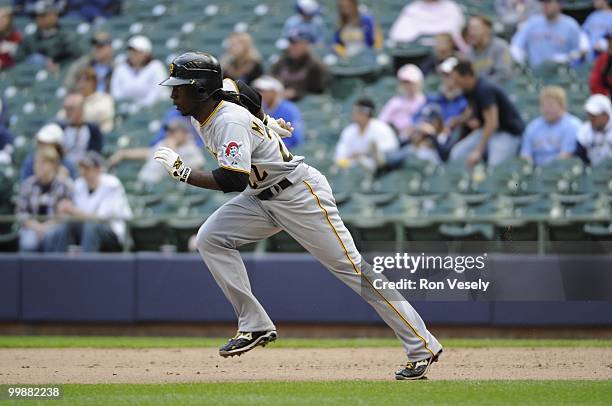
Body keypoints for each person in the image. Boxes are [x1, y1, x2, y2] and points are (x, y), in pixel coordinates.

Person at [153, 52, 443, 379]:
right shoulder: (216, 98)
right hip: (260, 197)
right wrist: (264, 121)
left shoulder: (227, 120)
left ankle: (422, 344)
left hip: (298, 194)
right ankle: (255, 324)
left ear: (202, 89)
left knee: (353, 270)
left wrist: (184, 173)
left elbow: (232, 179)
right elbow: (247, 91)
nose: (173, 94)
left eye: (180, 88)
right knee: (210, 239)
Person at [50, 151, 132, 252]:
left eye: (87, 168)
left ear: (98, 169)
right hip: (86, 229)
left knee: (92, 226)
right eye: (82, 167)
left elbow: (100, 218)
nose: (83, 171)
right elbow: (76, 215)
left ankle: (87, 266)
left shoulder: (112, 184)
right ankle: (57, 263)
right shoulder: (79, 184)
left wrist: (72, 210)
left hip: (114, 234)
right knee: (65, 225)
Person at [449, 60, 525, 167]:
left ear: (467, 76)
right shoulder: (470, 90)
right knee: (457, 154)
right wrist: (461, 120)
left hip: (507, 133)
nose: (454, 83)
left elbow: (492, 123)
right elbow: (472, 109)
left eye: (457, 79)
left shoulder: (484, 89)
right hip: (489, 131)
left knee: (494, 165)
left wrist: (478, 151)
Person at [109, 118, 205, 185]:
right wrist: (123, 154)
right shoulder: (165, 143)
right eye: (168, 131)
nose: (169, 134)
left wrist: (172, 150)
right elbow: (148, 152)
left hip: (163, 189)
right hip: (144, 182)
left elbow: (191, 171)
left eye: (173, 131)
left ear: (184, 133)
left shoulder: (191, 149)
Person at [17, 146, 73, 252]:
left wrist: (45, 228)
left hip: (54, 227)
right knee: (29, 242)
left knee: (53, 235)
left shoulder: (64, 186)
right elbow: (21, 213)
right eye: (36, 162)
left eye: (42, 163)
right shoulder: (27, 184)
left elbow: (65, 215)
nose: (37, 166)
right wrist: (37, 227)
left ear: (53, 165)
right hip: (31, 227)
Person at [510, 0, 586, 68]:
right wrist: (521, 62)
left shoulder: (570, 25)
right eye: (543, 2)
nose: (545, 5)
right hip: (536, 75)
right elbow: (516, 46)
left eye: (548, 2)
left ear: (559, 4)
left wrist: (567, 58)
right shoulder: (532, 23)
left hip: (562, 76)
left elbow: (581, 51)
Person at [520, 86, 581, 166]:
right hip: (536, 172)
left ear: (562, 106)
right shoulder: (533, 127)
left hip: (562, 172)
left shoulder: (573, 125)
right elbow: (525, 155)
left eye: (550, 105)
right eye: (543, 105)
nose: (546, 109)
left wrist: (546, 171)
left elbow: (566, 155)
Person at [335, 98, 399, 171]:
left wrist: (364, 153)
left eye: (357, 112)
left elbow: (391, 148)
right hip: (353, 166)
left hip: (378, 164)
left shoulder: (381, 128)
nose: (353, 114)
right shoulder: (349, 131)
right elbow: (340, 155)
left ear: (366, 113)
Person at [13, 0, 80, 70]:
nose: (38, 19)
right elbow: (19, 59)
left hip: (60, 73)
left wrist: (60, 65)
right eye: (36, 16)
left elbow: (75, 58)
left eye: (43, 15)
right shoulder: (29, 38)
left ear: (55, 16)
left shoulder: (67, 36)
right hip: (33, 74)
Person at [110, 35, 169, 108]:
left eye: (137, 51)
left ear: (146, 53)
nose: (133, 54)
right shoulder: (121, 68)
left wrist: (140, 107)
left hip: (155, 109)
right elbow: (116, 93)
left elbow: (156, 93)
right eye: (131, 51)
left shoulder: (156, 66)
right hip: (126, 108)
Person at [271, 27, 327, 101]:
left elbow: (319, 93)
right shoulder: (281, 62)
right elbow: (271, 81)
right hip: (281, 104)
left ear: (306, 44)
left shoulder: (316, 66)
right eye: (290, 42)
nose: (292, 46)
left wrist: (297, 93)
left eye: (296, 43)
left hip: (306, 108)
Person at [58, 67, 115, 134]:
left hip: (99, 135)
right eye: (79, 80)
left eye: (86, 80)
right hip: (77, 135)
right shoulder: (74, 98)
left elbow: (105, 114)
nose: (82, 84)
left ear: (94, 82)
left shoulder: (104, 97)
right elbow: (60, 116)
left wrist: (77, 115)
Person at [252, 75, 303, 148]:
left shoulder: (290, 110)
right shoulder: (257, 108)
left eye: (263, 90)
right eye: (258, 90)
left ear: (274, 92)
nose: (259, 93)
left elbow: (295, 138)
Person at [389, 0, 465, 47]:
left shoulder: (452, 8)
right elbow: (399, 37)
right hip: (417, 58)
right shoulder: (412, 9)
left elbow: (457, 37)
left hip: (448, 55)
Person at [378, 64, 426, 135]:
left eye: (411, 82)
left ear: (419, 82)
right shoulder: (395, 102)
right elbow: (381, 122)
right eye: (405, 82)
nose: (408, 86)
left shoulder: (425, 102)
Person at [59, 92, 103, 165]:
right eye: (66, 109)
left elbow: (96, 153)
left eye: (71, 109)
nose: (67, 113)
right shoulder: (61, 129)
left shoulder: (93, 130)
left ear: (81, 109)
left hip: (86, 168)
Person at [466, 15, 513, 82]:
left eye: (475, 29)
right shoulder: (469, 51)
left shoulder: (500, 46)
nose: (471, 33)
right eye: (469, 29)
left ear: (487, 29)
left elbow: (504, 74)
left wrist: (480, 88)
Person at [576, 94, 612, 165]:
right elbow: (581, 157)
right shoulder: (584, 131)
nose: (591, 119)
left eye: (594, 116)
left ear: (605, 114)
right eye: (589, 115)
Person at [590, 30, 612, 98]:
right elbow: (595, 82)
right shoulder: (603, 58)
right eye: (608, 41)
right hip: (604, 97)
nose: (609, 43)